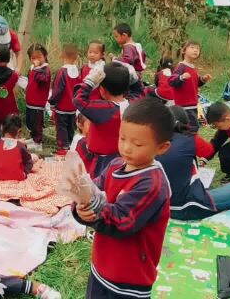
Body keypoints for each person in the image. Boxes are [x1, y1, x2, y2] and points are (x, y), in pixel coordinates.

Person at [68, 98, 173, 299]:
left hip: (129, 279)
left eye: (138, 143)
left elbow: (122, 221)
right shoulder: (115, 165)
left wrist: (92, 206)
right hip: (101, 265)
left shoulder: (152, 184)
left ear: (162, 147)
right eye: (122, 138)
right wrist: (80, 208)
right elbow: (92, 189)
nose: (126, 148)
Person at [157, 106, 230, 221]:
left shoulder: (150, 140)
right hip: (188, 206)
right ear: (186, 122)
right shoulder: (189, 138)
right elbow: (209, 150)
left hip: (160, 208)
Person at [73, 63, 130, 178]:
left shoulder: (105, 110)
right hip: (119, 157)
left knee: (98, 190)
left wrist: (90, 82)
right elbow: (138, 91)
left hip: (102, 162)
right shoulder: (130, 104)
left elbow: (79, 100)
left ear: (102, 90)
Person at [169, 40, 212, 132]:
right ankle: (188, 143)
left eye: (197, 49)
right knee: (192, 128)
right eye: (192, 48)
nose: (195, 50)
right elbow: (172, 81)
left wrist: (202, 79)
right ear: (183, 51)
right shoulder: (181, 66)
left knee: (188, 127)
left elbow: (195, 84)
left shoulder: (193, 68)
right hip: (184, 105)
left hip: (193, 104)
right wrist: (181, 77)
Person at [49, 44, 82, 155]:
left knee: (61, 126)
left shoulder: (62, 72)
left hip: (62, 106)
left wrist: (52, 102)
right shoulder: (77, 71)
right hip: (73, 106)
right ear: (76, 57)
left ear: (62, 55)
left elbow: (58, 89)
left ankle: (63, 147)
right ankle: (71, 144)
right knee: (70, 126)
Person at [0, 115, 41, 181]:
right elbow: (29, 161)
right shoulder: (20, 145)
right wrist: (25, 172)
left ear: (1, 128)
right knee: (34, 157)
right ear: (19, 131)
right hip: (17, 177)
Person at [24, 44, 51, 153]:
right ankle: (33, 138)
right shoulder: (32, 69)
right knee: (30, 122)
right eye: (33, 58)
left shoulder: (45, 69)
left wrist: (36, 69)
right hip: (30, 101)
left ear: (45, 56)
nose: (36, 60)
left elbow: (42, 80)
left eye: (39, 57)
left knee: (37, 123)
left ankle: (38, 142)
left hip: (38, 103)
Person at [0, 49, 19, 141]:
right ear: (8, 59)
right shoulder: (14, 75)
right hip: (8, 107)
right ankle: (8, 144)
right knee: (9, 130)